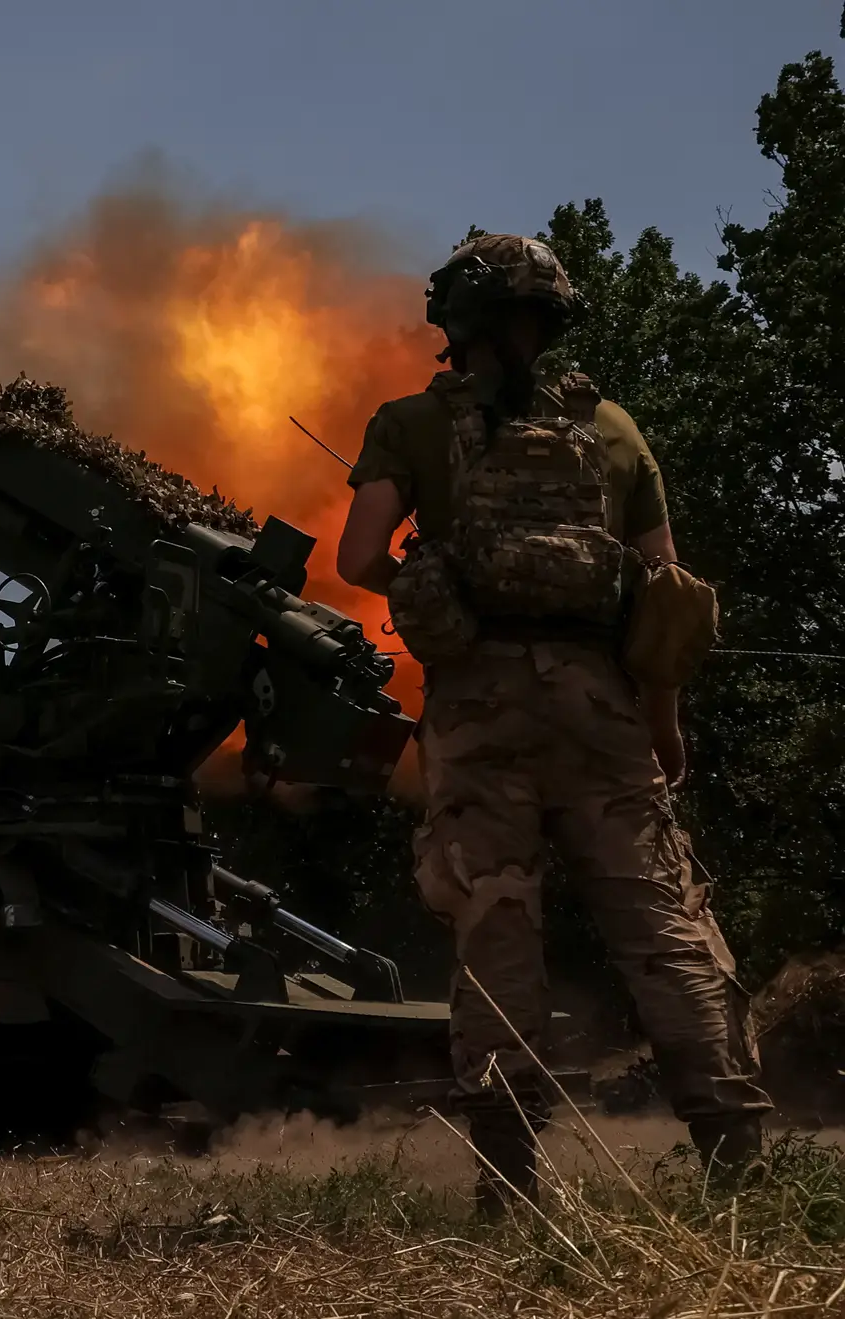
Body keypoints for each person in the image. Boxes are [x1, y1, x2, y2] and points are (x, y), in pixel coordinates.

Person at [335, 234, 771, 1216]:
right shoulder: (614, 430)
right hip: (602, 712)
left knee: (498, 930)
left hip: (479, 715)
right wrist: (664, 728)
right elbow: (665, 600)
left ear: (457, 323)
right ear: (554, 313)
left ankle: (512, 1187)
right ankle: (741, 1170)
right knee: (664, 929)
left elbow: (358, 553)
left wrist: (428, 573)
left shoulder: (409, 423)